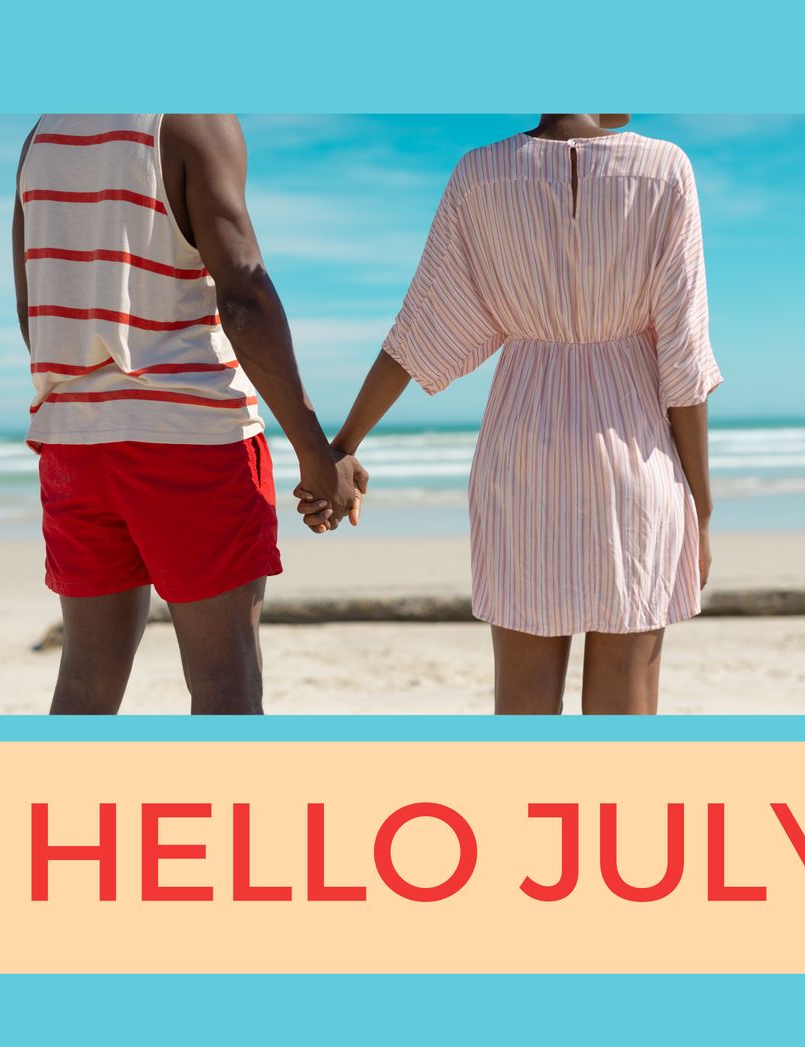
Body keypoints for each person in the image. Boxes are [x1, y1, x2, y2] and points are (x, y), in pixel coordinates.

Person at [297, 114, 721, 715]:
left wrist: (340, 447)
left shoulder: (480, 175)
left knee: (521, 711)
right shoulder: (665, 170)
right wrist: (701, 510)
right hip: (636, 460)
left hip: (521, 457)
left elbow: (418, 333)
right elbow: (685, 360)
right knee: (625, 719)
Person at [13, 113, 366, 715]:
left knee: (85, 683)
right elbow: (245, 295)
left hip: (74, 440)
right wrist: (314, 450)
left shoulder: (43, 134)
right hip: (189, 441)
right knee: (226, 684)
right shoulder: (189, 118)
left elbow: (33, 305)